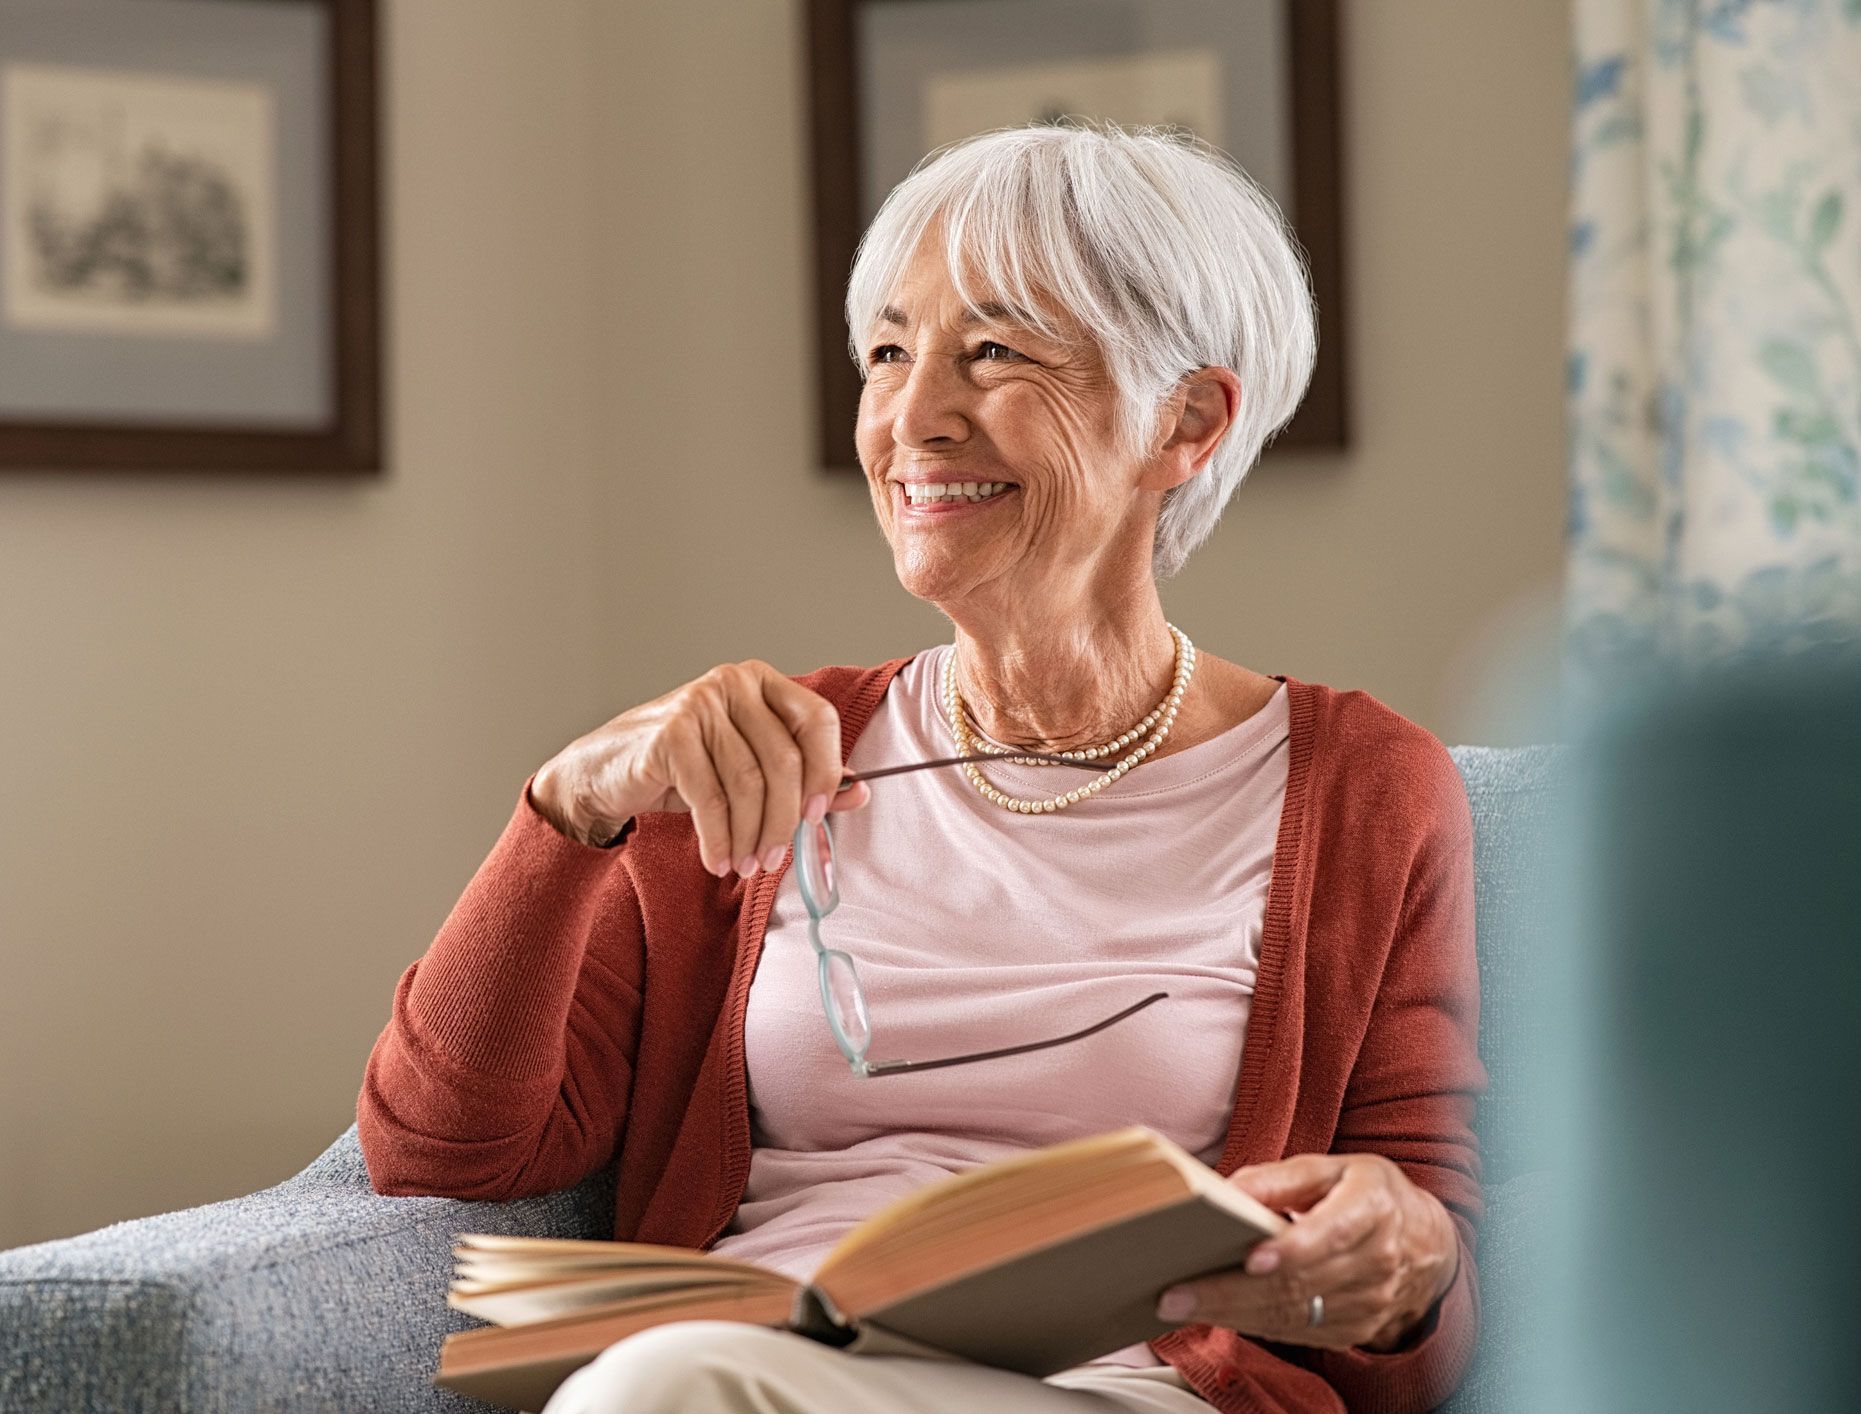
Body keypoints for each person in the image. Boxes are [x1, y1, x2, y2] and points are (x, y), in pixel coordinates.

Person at [357, 119, 1483, 1414]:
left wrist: (1408, 1256)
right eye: (887, 352)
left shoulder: (1359, 786)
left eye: (993, 352)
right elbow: (444, 1147)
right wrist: (568, 811)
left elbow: (1421, 1284)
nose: (912, 418)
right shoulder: (758, 758)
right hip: (765, 1359)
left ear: (1186, 419)